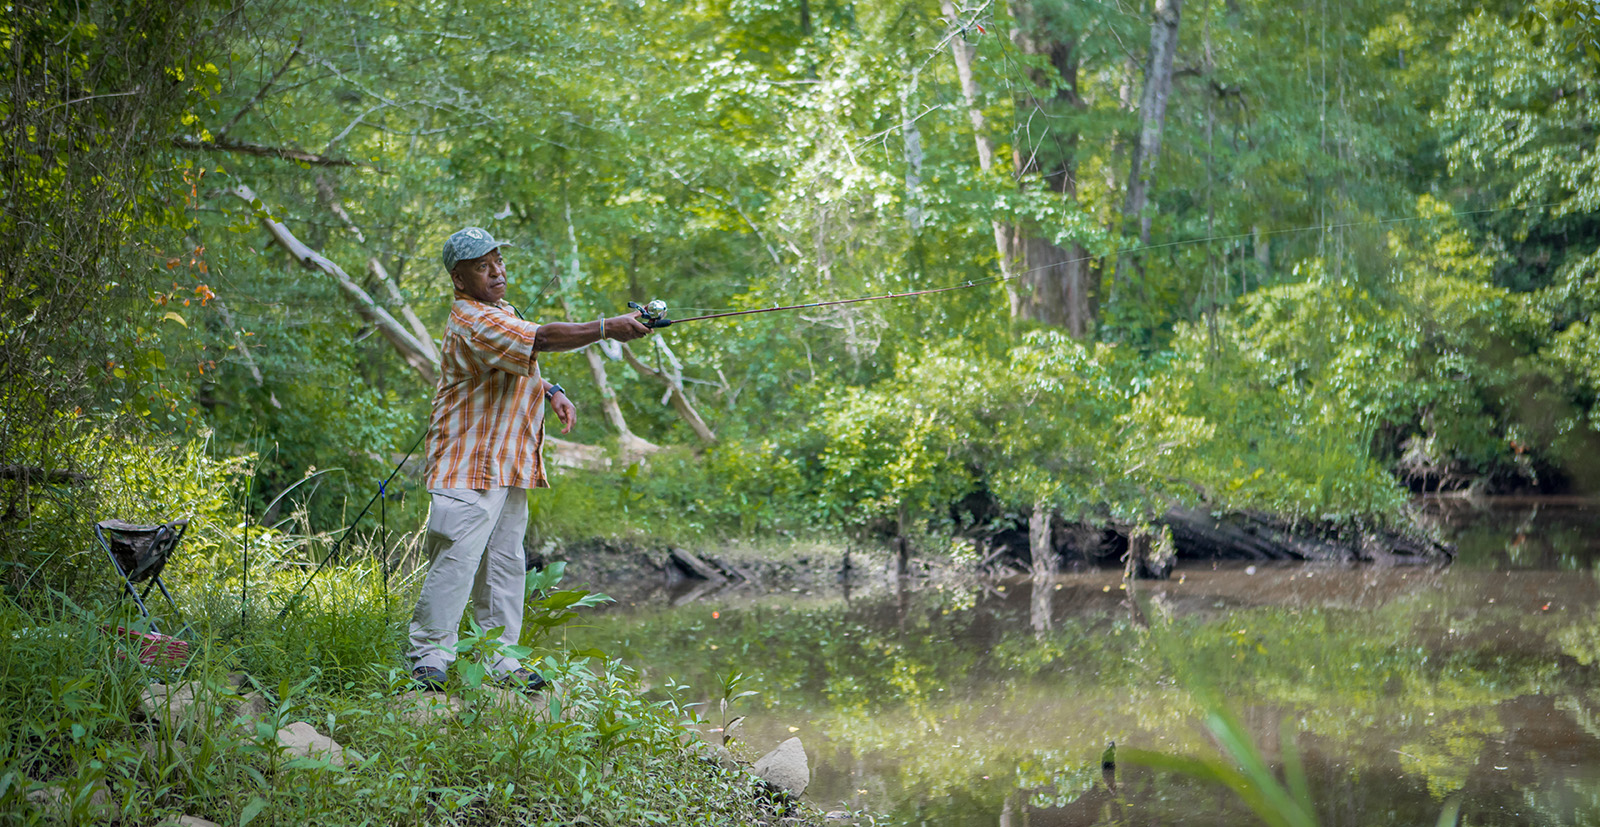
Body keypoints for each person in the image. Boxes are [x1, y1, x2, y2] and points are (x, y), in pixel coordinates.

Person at [407, 226, 651, 692]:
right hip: (468, 464)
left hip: (508, 461)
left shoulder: (501, 311)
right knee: (457, 561)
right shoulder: (472, 319)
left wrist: (551, 390)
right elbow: (539, 339)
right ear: (459, 279)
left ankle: (499, 658)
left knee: (504, 562)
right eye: (483, 265)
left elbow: (520, 362)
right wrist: (607, 329)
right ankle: (428, 658)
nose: (497, 270)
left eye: (498, 259)